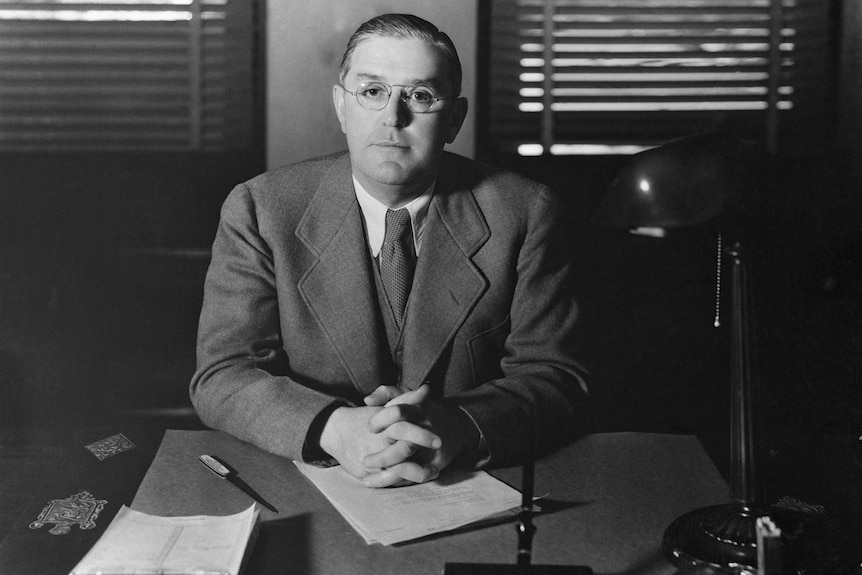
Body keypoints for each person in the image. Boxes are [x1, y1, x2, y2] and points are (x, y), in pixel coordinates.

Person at [190, 13, 588, 488]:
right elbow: (222, 374)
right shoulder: (261, 209)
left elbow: (559, 377)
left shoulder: (525, 212)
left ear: (454, 119)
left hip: (468, 489)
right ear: (341, 106)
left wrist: (458, 424)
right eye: (372, 91)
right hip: (314, 485)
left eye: (420, 96)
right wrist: (334, 428)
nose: (392, 117)